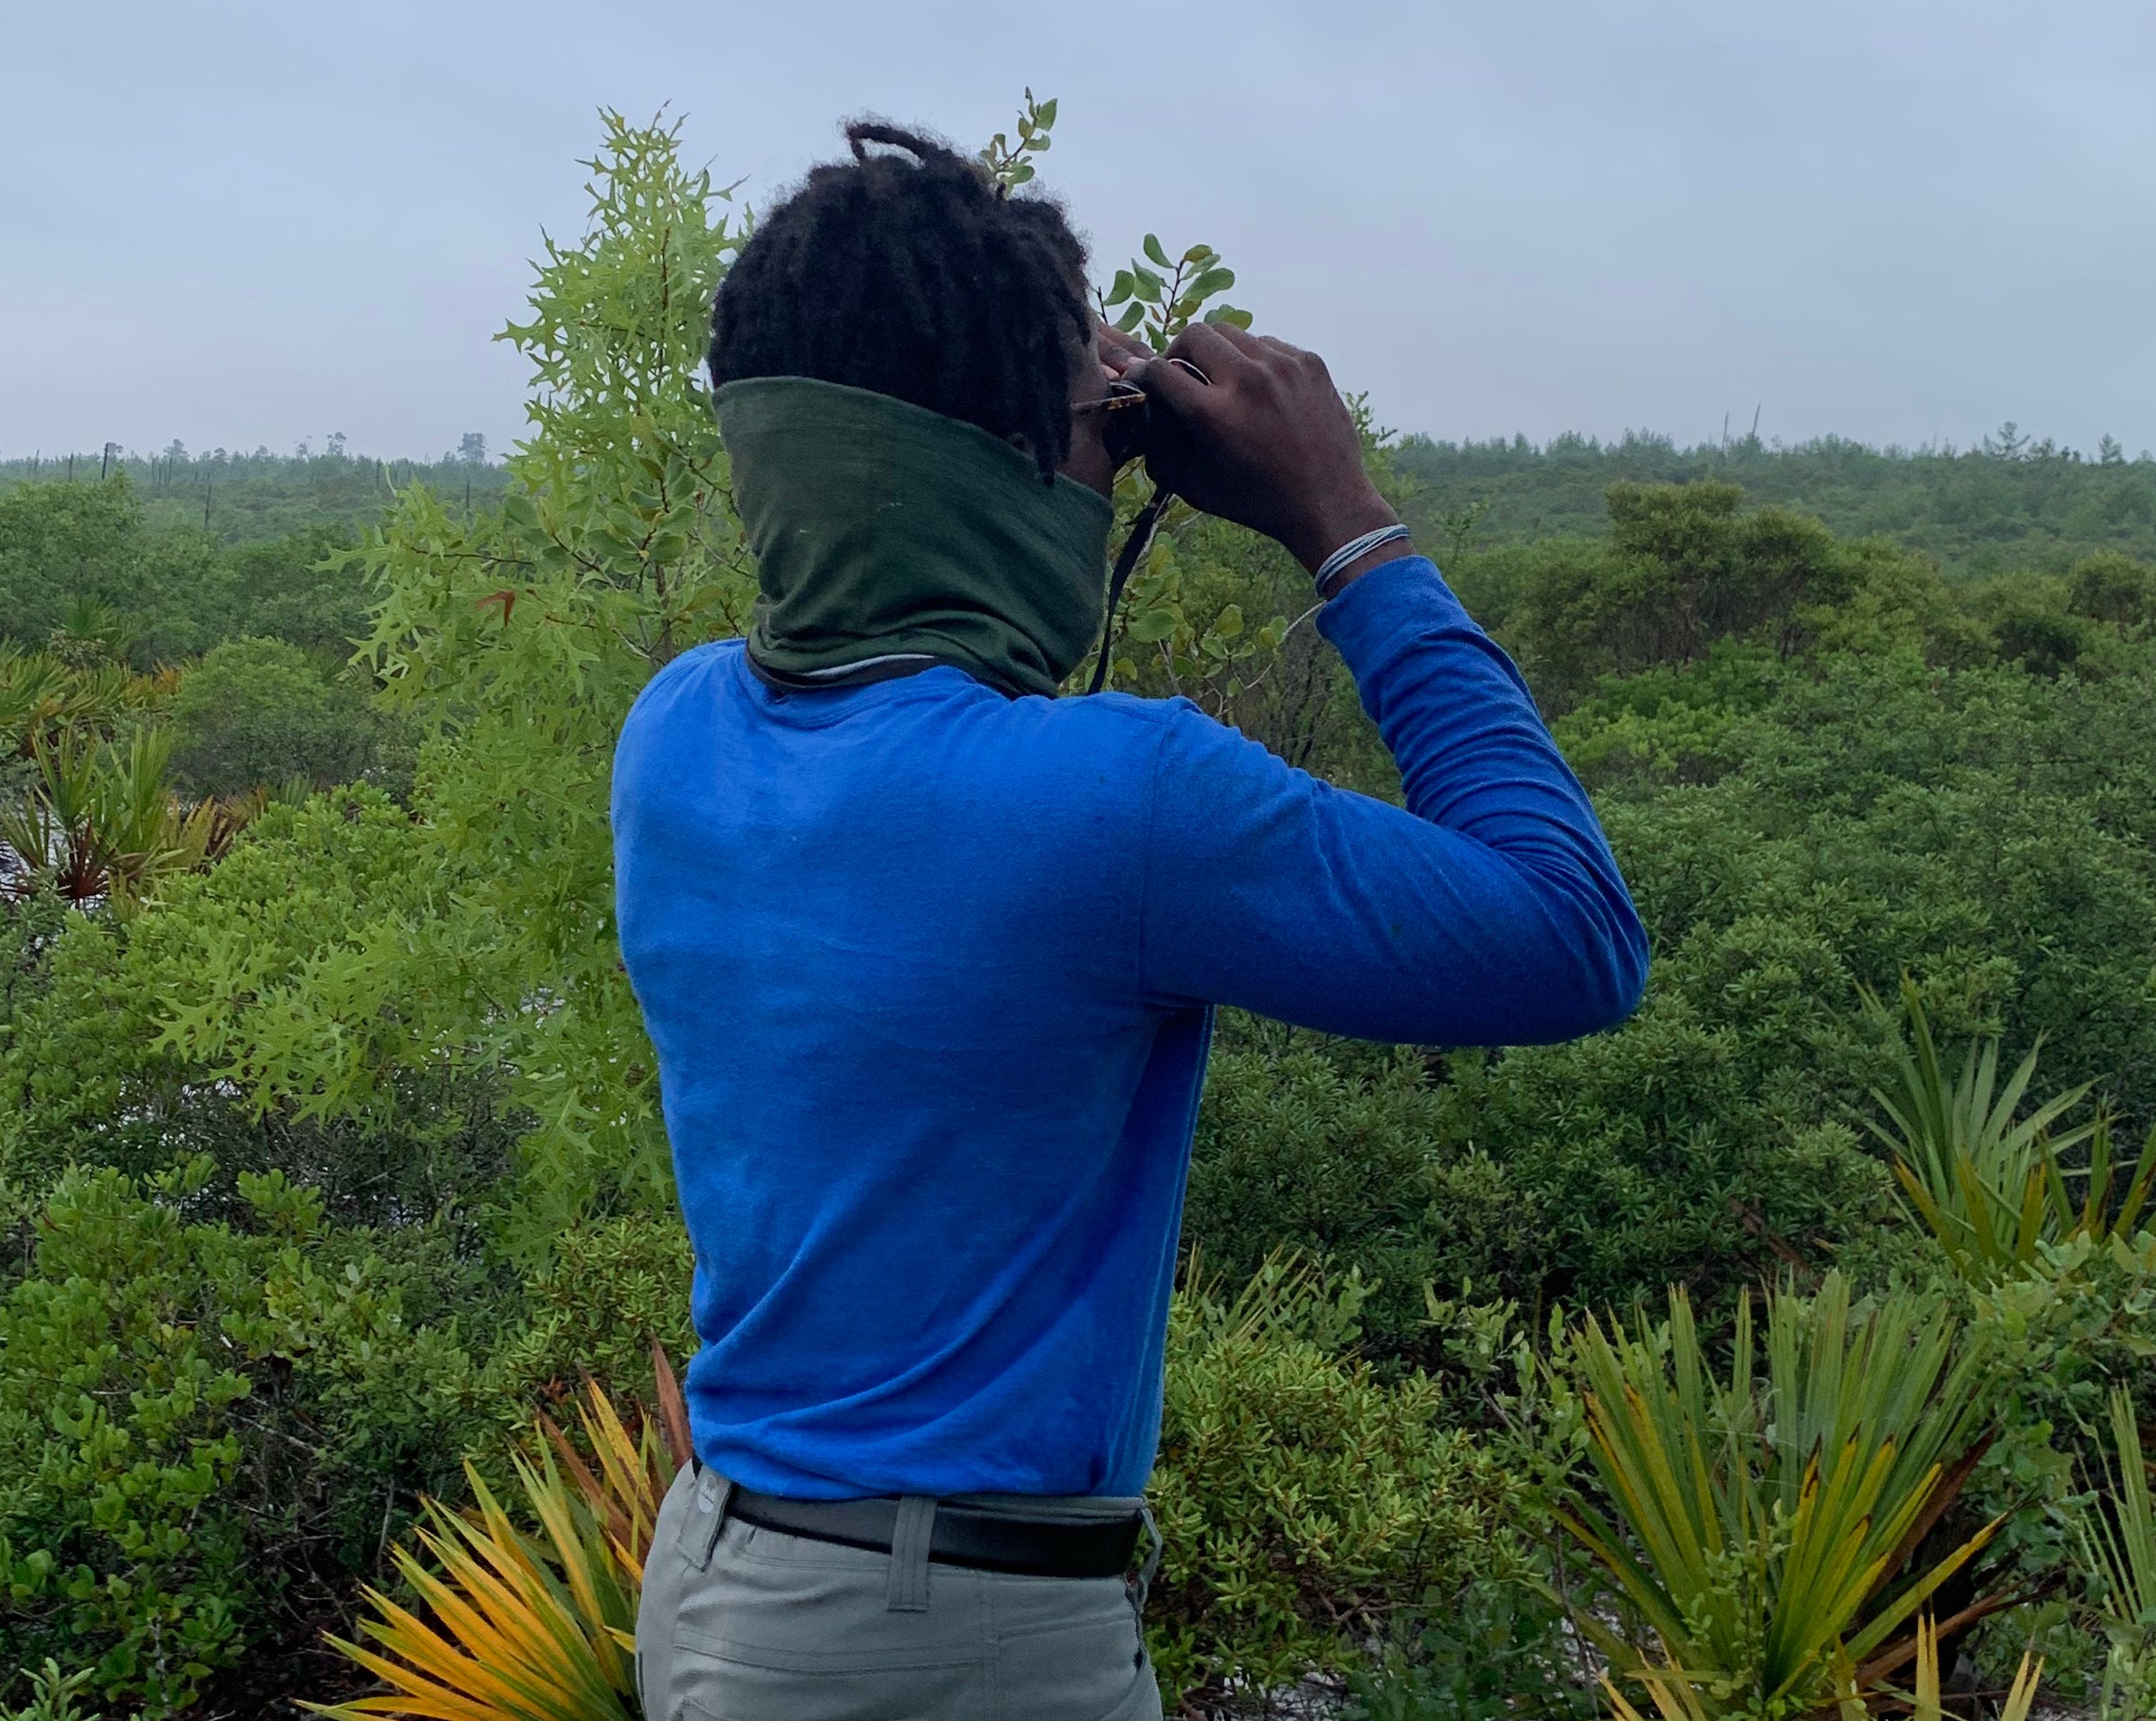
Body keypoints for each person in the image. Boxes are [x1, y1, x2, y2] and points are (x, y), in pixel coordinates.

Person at [614, 120, 1647, 1721]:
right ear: (1003, 474)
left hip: (721, 1580)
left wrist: (1069, 406)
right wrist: (1341, 519)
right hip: (940, 1640)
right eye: (1104, 418)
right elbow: (1572, 930)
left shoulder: (674, 734)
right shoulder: (1117, 799)